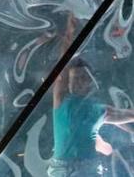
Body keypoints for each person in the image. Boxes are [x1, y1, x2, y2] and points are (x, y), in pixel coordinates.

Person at [48, 15, 134, 175]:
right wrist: (69, 34)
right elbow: (62, 67)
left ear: (90, 82)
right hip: (64, 169)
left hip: (87, 169)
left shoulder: (99, 109)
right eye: (76, 78)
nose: (80, 82)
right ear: (69, 82)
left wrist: (109, 148)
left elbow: (127, 115)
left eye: (83, 78)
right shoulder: (62, 100)